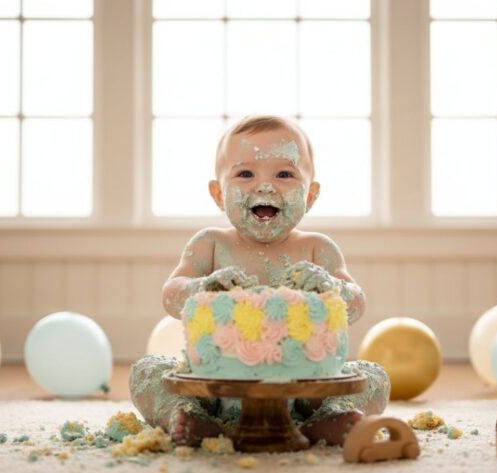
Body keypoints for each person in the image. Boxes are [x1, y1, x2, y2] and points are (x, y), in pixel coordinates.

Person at [129, 115, 390, 447]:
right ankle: (187, 416)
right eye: (245, 173)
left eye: (284, 174)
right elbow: (171, 295)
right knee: (146, 371)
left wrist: (330, 287)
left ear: (311, 195)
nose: (265, 186)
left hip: (308, 390)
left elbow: (356, 302)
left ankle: (328, 418)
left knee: (374, 377)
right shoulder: (210, 244)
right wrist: (200, 289)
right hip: (214, 388)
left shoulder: (317, 248)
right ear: (218, 193)